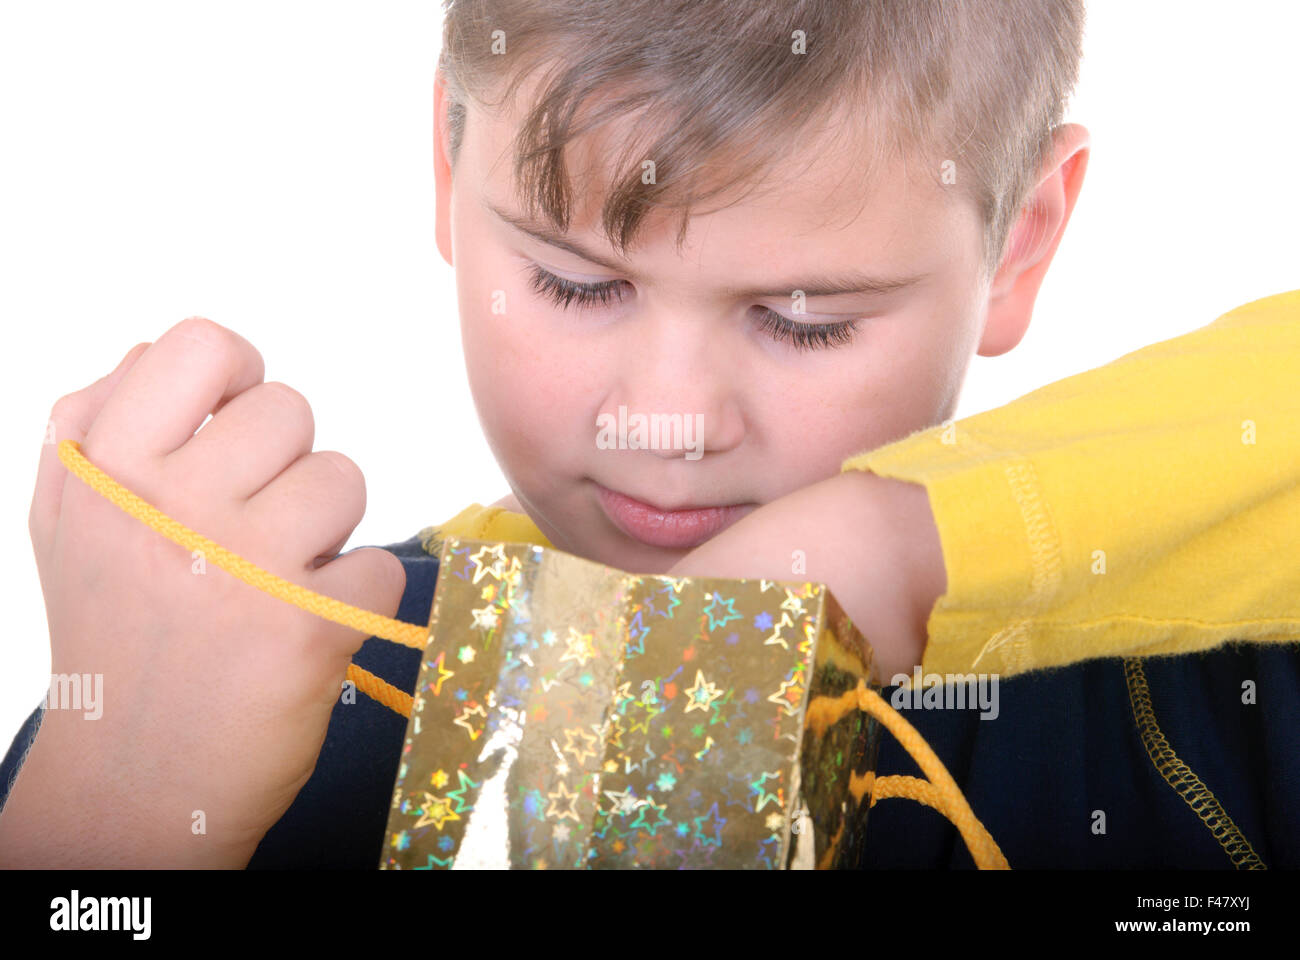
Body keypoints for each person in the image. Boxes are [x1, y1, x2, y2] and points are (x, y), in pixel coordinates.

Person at [1, 0, 1296, 868]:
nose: (667, 423)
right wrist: (105, 816)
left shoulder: (1199, 696)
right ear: (450, 178)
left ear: (1020, 245)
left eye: (801, 318)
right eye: (575, 284)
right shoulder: (257, 692)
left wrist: (899, 543)